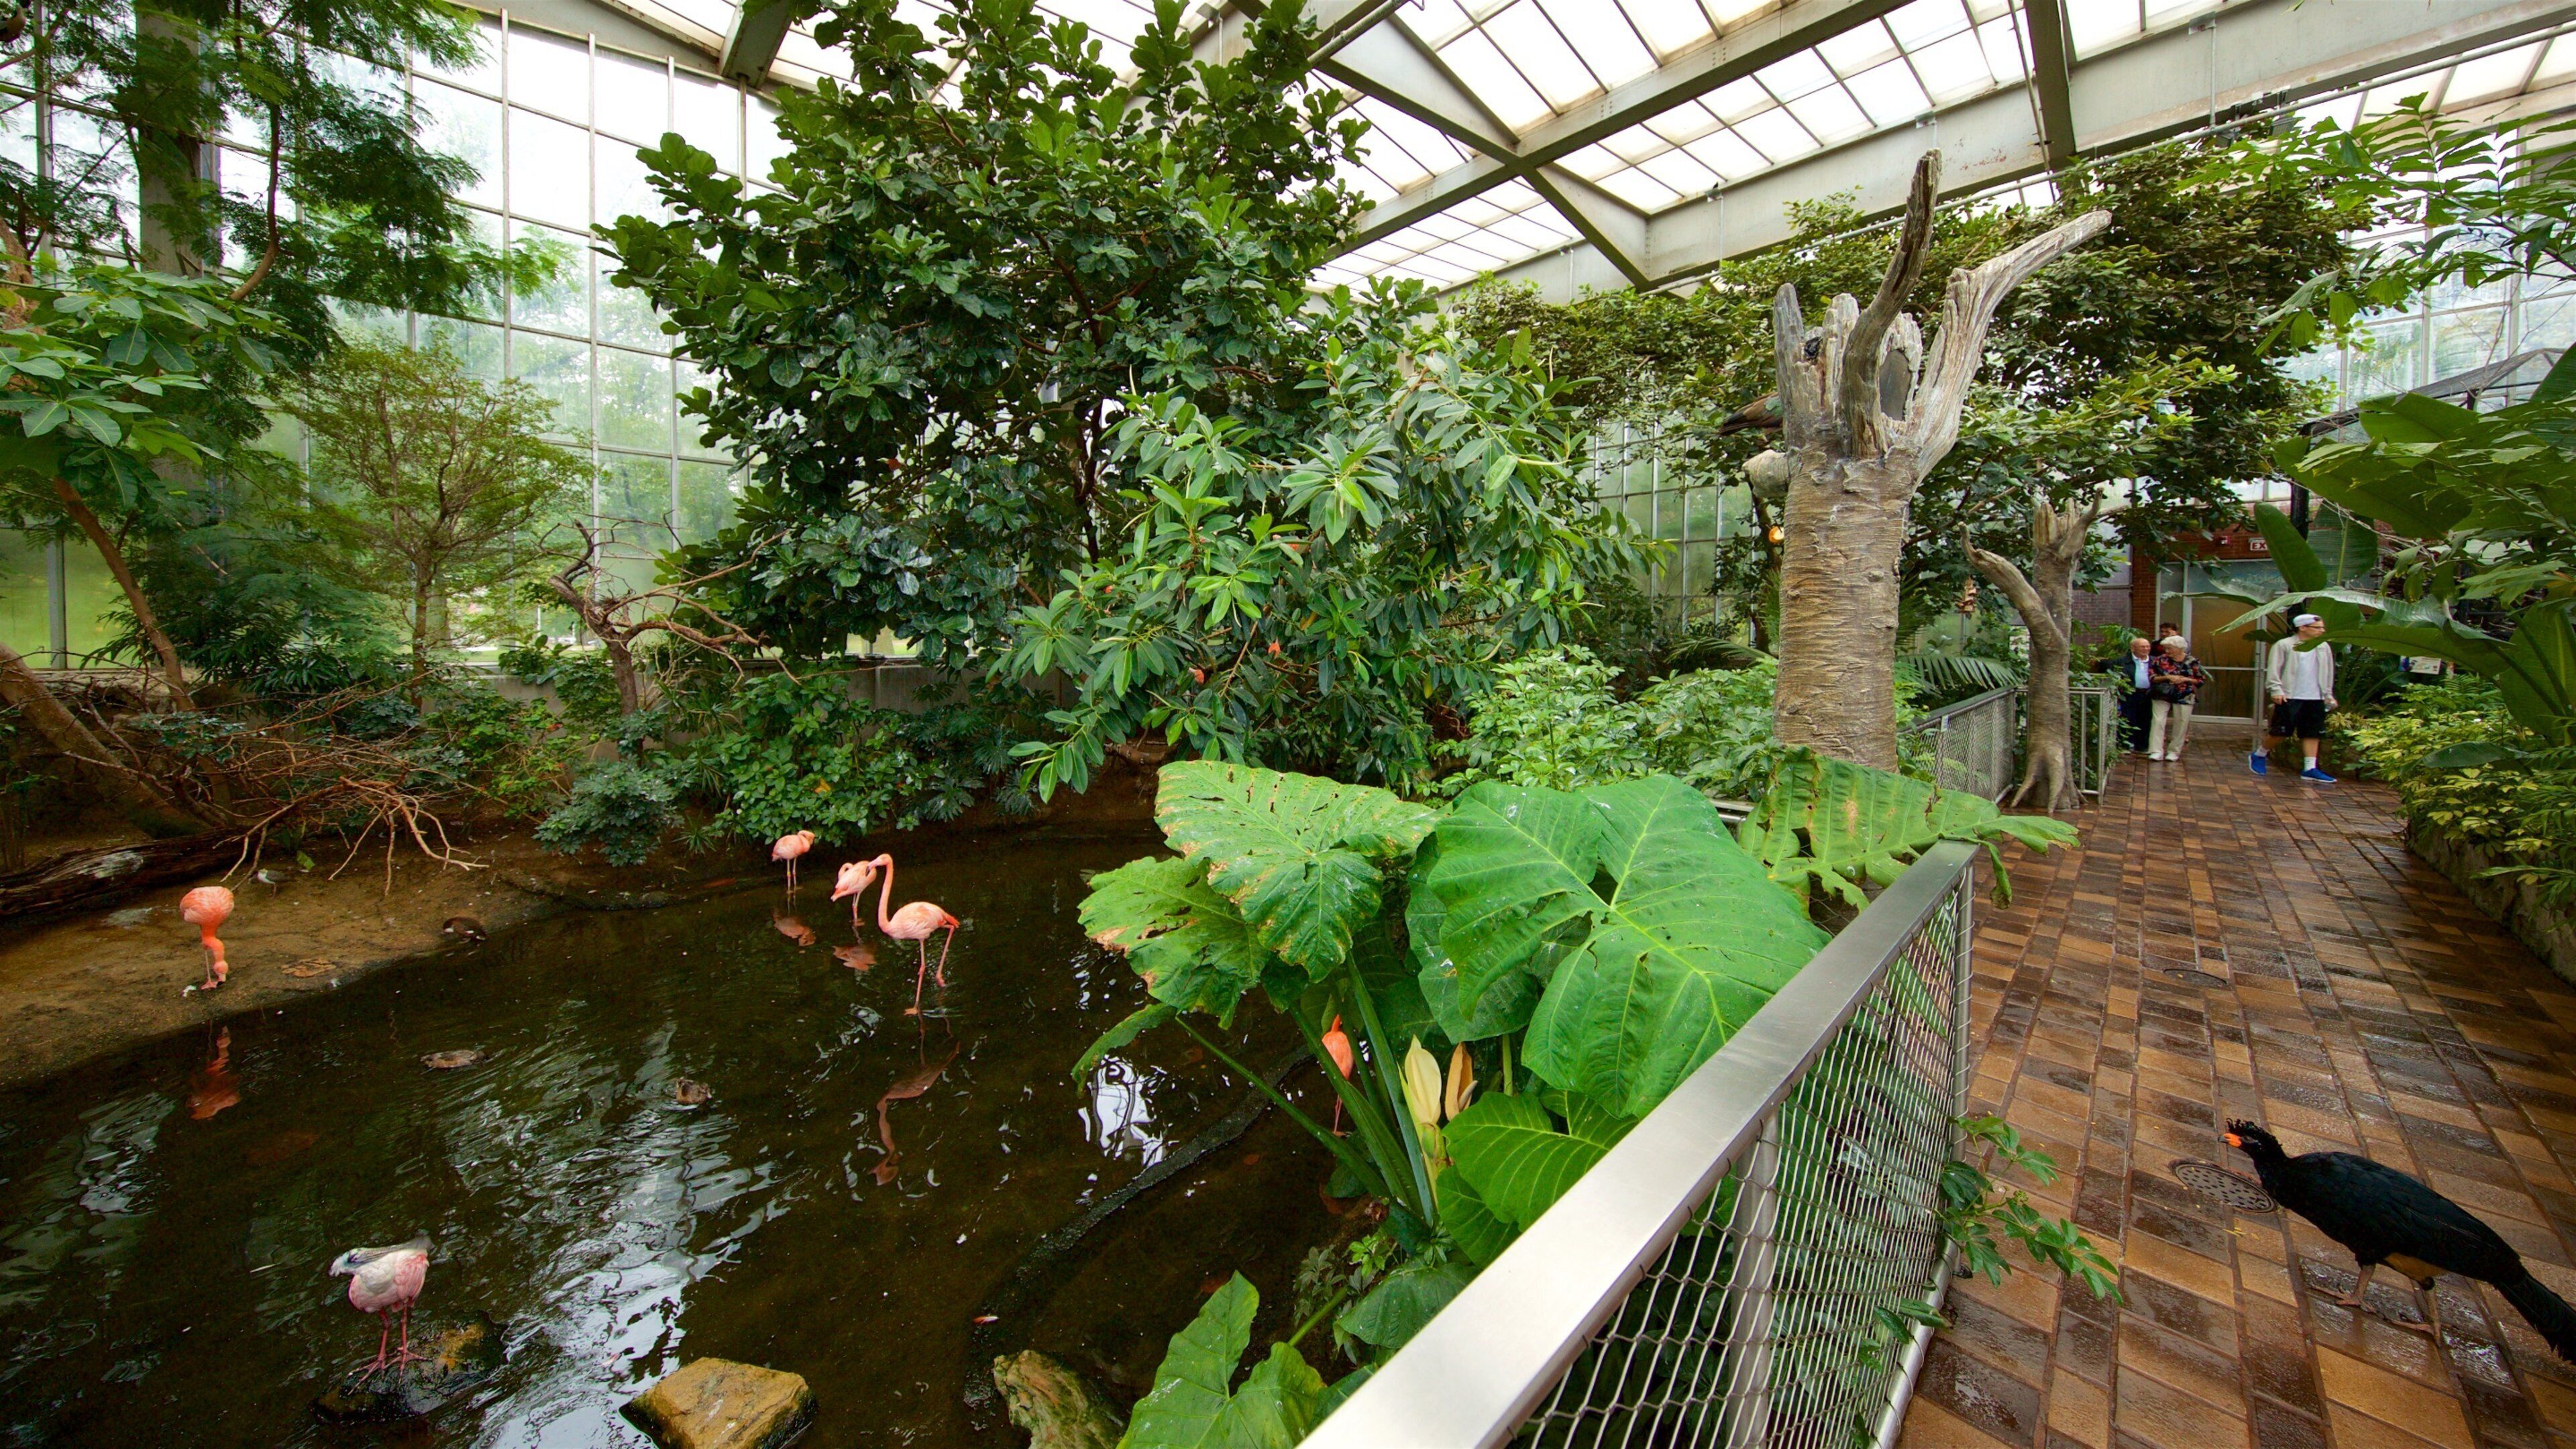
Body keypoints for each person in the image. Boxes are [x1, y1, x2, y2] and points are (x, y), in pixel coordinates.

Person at [2255, 613, 2338, 782]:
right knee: (2281, 732)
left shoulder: (2323, 647)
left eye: (2323, 627)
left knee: (2312, 732)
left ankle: (2309, 768)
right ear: (2303, 628)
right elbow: (2274, 669)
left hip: (2315, 697)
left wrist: (2328, 695)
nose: (2322, 631)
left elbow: (2329, 672)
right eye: (2318, 628)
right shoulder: (2284, 645)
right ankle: (2259, 754)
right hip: (2290, 695)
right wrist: (2276, 689)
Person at [2147, 635, 2206, 761]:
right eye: (2166, 648)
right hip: (2162, 693)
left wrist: (2186, 679)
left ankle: (2174, 752)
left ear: (2180, 648)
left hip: (2185, 694)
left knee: (2181, 722)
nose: (2167, 651)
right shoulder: (2160, 660)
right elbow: (2152, 678)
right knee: (2158, 721)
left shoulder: (2192, 661)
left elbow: (2201, 680)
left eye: (2170, 648)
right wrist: (2168, 678)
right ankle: (2156, 750)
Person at [2099, 635, 2154, 752]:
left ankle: (2142, 746)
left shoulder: (2154, 661)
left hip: (2148, 694)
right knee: (2128, 718)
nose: (2146, 649)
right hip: (2130, 694)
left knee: (2145, 720)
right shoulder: (2122, 661)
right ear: (2133, 648)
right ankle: (2125, 744)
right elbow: (2106, 667)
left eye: (2148, 646)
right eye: (2142, 647)